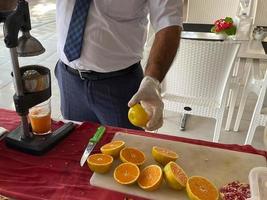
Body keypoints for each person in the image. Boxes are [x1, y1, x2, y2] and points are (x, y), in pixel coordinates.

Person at [55, 0, 183, 131]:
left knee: (124, 146)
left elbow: (168, 22)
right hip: (69, 79)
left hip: (120, 86)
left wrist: (152, 81)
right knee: (75, 144)